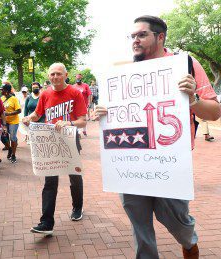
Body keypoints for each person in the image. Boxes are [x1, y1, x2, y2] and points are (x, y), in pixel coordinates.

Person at [93, 15, 221, 259]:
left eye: (141, 35)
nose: (135, 41)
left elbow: (215, 112)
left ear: (160, 37)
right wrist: (102, 113)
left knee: (178, 223)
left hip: (171, 163)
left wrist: (193, 98)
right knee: (140, 229)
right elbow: (115, 114)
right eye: (132, 36)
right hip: (130, 161)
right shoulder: (124, 73)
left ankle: (189, 243)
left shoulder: (186, 65)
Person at [23, 63, 87, 235]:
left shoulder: (75, 93)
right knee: (50, 181)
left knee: (74, 176)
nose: (55, 77)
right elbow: (37, 114)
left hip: (70, 139)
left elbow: (83, 120)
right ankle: (46, 222)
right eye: (52, 74)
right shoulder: (45, 94)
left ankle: (77, 207)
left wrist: (69, 122)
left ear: (66, 75)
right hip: (50, 141)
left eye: (59, 73)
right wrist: (29, 118)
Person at [0, 83, 21, 163]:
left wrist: (8, 114)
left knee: (12, 138)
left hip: (13, 122)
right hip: (4, 122)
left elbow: (19, 110)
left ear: (6, 91)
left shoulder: (14, 99)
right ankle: (9, 148)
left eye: (2, 90)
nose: (1, 91)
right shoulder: (1, 98)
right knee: (3, 136)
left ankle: (13, 155)